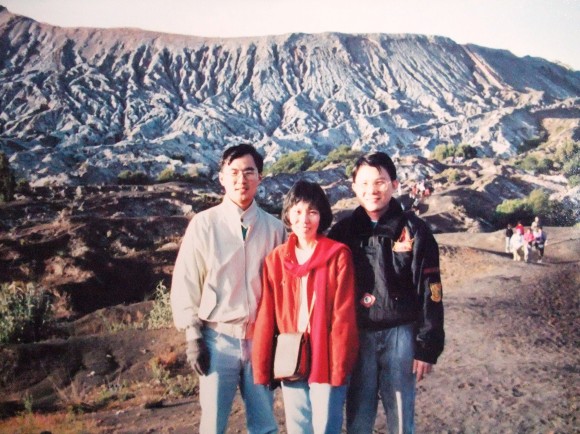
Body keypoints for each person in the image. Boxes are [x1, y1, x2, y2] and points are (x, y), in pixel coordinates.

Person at [170, 144, 287, 434]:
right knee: (213, 424)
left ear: (260, 177)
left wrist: (279, 340)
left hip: (260, 340)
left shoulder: (274, 229)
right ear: (221, 178)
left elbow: (284, 288)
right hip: (216, 339)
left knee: (264, 424)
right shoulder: (204, 225)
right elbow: (187, 280)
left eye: (249, 172)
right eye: (233, 172)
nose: (241, 179)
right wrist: (193, 335)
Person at [328, 152, 445, 434]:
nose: (372, 190)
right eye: (364, 183)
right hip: (357, 335)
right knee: (358, 412)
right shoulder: (342, 232)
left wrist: (427, 346)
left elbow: (431, 291)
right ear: (353, 186)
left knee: (401, 412)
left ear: (394, 184)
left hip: (400, 333)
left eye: (380, 182)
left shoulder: (415, 231)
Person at [252, 180, 359, 434]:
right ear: (288, 215)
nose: (304, 219)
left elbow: (344, 316)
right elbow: (267, 313)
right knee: (298, 427)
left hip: (327, 355)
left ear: (322, 216)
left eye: (312, 211)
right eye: (298, 211)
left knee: (325, 427)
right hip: (292, 354)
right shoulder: (276, 259)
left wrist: (340, 366)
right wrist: (262, 365)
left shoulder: (337, 255)